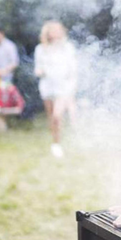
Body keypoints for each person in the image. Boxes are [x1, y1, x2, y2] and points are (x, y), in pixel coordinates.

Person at [34, 21, 77, 158]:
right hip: (47, 87)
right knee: (51, 117)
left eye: (59, 30)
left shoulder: (68, 48)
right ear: (48, 33)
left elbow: (73, 69)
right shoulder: (41, 49)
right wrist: (40, 71)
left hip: (63, 87)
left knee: (57, 116)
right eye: (53, 30)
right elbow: (38, 68)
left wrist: (72, 88)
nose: (57, 32)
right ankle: (56, 142)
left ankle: (58, 143)